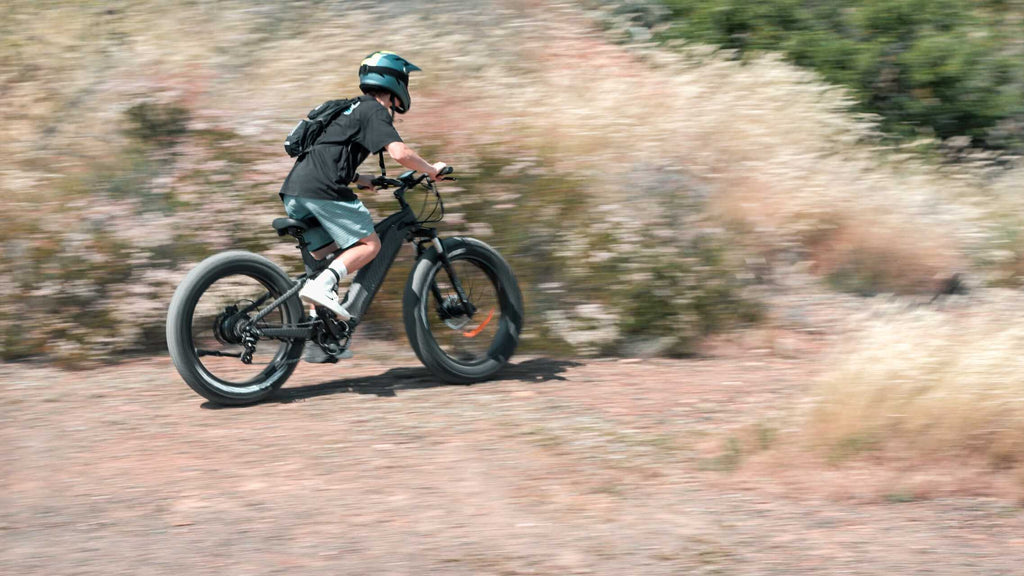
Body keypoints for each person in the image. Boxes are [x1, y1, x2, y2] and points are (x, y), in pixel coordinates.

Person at [279, 51, 446, 324]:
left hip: (295, 189)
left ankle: (319, 329)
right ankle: (321, 288)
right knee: (369, 244)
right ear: (395, 84)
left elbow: (328, 152)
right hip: (323, 191)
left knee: (328, 257)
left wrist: (358, 178)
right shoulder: (375, 110)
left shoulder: (350, 108)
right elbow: (400, 153)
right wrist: (431, 169)